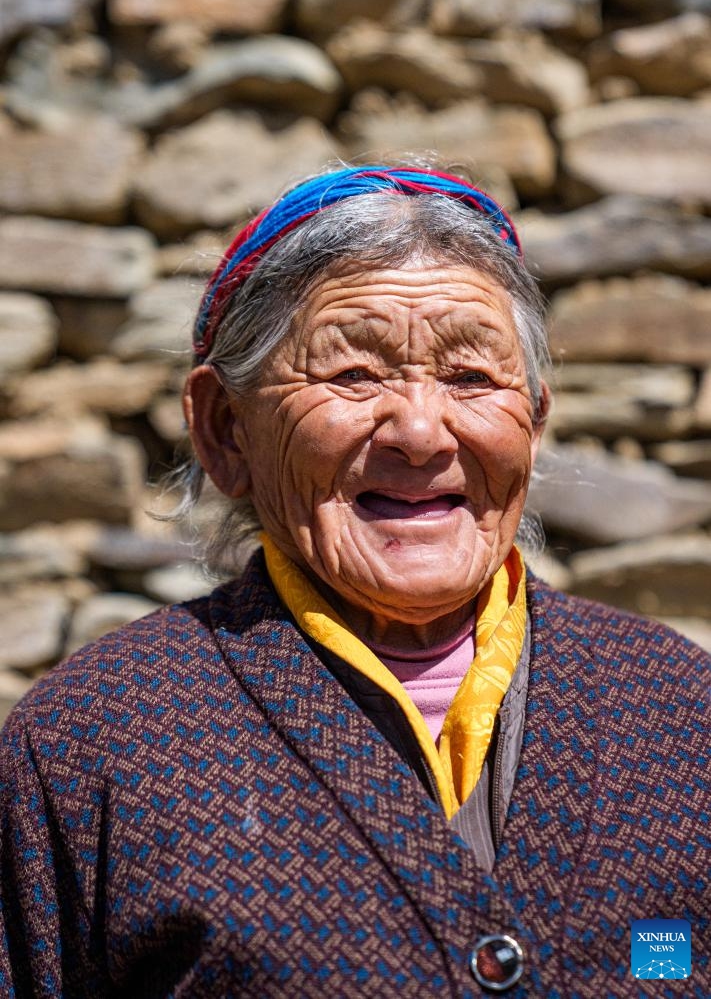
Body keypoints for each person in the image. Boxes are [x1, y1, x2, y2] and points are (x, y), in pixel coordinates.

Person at [0, 164, 708, 998]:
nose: (418, 430)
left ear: (532, 425)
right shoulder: (96, 741)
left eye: (470, 378)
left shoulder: (678, 711)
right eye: (352, 376)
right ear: (226, 432)